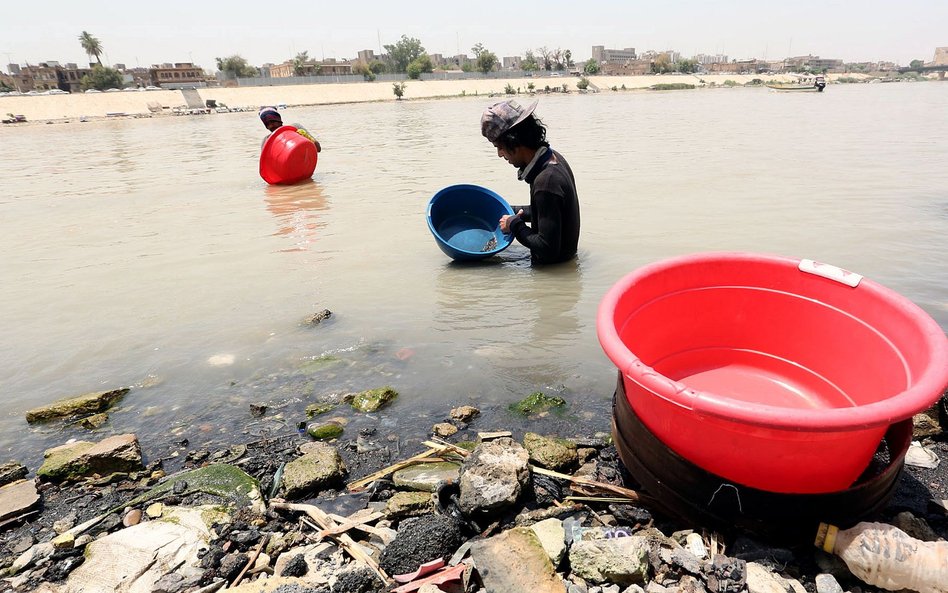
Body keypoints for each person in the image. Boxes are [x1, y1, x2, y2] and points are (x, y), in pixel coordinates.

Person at [481, 99, 579, 265]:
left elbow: (547, 248)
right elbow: (549, 213)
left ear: (514, 142)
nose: (499, 154)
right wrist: (509, 211)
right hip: (566, 260)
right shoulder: (554, 159)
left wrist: (515, 225)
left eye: (500, 147)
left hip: (551, 274)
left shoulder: (546, 182)